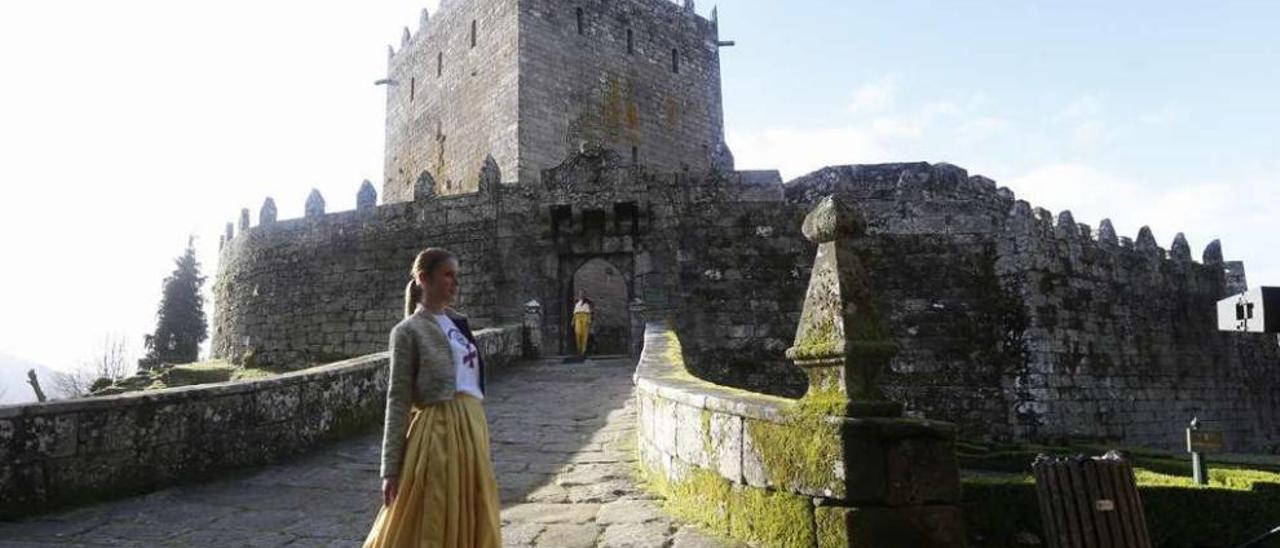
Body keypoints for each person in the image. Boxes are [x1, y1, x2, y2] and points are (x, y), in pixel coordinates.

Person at [363, 248, 501, 548]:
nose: (455, 283)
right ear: (424, 278)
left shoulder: (460, 324)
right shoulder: (407, 331)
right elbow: (398, 399)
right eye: (448, 275)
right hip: (438, 431)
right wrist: (391, 468)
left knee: (477, 509)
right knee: (435, 512)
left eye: (457, 276)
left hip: (473, 426)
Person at [572, 291, 593, 356]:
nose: (581, 295)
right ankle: (579, 348)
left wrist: (589, 320)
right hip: (578, 317)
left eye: (582, 294)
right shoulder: (577, 302)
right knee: (578, 333)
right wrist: (573, 320)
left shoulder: (587, 303)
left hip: (585, 316)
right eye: (580, 294)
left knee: (585, 334)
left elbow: (589, 312)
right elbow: (575, 313)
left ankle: (583, 350)